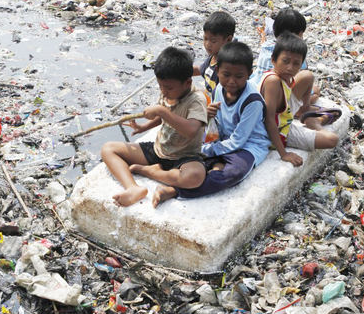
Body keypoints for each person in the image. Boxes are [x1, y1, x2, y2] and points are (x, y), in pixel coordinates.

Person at [134, 41, 270, 206]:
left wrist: (208, 149)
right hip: (222, 141)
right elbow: (217, 124)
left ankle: (174, 189)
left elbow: (239, 140)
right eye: (226, 74)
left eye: (239, 76)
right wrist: (209, 117)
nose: (232, 81)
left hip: (248, 146)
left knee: (233, 173)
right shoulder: (220, 88)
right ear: (217, 71)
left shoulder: (252, 101)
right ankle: (183, 176)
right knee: (199, 165)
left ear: (249, 73)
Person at [101, 47, 208, 207]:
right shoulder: (168, 93)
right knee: (108, 149)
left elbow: (192, 130)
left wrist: (162, 111)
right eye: (161, 86)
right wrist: (144, 127)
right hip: (159, 150)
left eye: (169, 88)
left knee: (195, 177)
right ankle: (133, 188)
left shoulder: (197, 100)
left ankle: (150, 172)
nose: (164, 92)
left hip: (184, 157)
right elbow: (162, 118)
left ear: (187, 83)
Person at [257, 32, 339, 168]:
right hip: (279, 130)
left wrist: (306, 103)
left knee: (307, 76)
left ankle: (303, 111)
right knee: (332, 140)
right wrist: (283, 154)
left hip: (284, 115)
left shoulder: (281, 77)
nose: (290, 68)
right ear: (273, 60)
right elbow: (269, 120)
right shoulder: (273, 81)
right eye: (285, 61)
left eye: (296, 64)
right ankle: (315, 124)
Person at [253, 7, 320, 104]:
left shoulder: (266, 46)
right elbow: (298, 76)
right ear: (298, 35)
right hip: (277, 97)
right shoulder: (295, 53)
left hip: (257, 88)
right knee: (315, 91)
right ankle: (300, 110)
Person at [193, 11, 236, 102]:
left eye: (213, 41)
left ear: (228, 40)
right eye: (205, 39)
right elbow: (201, 70)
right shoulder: (213, 57)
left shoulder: (226, 66)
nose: (207, 44)